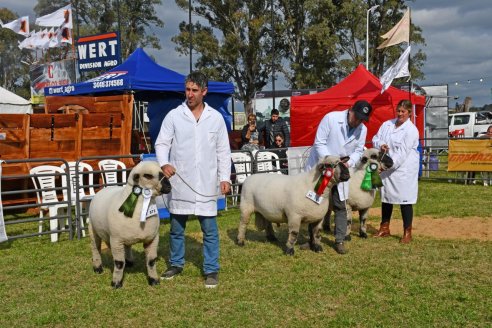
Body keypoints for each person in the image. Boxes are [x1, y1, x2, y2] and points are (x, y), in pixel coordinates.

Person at [155, 71, 231, 288]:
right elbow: (162, 144)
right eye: (187, 89)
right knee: (177, 228)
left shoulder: (215, 118)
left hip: (206, 183)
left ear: (204, 92)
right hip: (181, 181)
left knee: (209, 229)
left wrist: (225, 177)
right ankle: (176, 263)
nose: (189, 94)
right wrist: (164, 163)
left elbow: (223, 151)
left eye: (194, 90)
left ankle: (211, 269)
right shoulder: (174, 116)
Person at [304, 100, 372, 254]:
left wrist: (350, 162)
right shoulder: (331, 118)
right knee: (315, 202)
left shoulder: (362, 129)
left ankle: (339, 240)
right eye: (357, 117)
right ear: (351, 110)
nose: (359, 121)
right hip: (324, 168)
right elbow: (319, 143)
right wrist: (331, 162)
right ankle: (312, 239)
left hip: (341, 172)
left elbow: (359, 150)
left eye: (362, 119)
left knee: (340, 205)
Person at [372, 99, 420, 243]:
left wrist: (385, 166)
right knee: (386, 198)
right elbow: (375, 138)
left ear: (409, 113)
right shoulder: (387, 124)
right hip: (387, 168)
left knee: (405, 200)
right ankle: (384, 227)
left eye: (403, 111)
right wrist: (381, 145)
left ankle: (407, 232)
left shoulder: (411, 130)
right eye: (398, 111)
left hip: (403, 170)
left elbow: (402, 154)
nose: (400, 114)